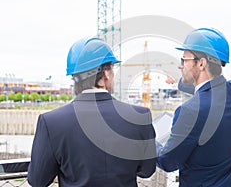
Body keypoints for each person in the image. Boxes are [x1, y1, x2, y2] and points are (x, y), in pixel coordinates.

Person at [28, 37, 157, 187]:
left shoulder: (51, 122)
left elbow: (37, 180)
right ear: (106, 74)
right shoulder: (140, 116)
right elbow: (147, 170)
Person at [156, 28, 231, 186]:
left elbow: (167, 161)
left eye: (184, 60)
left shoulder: (190, 111)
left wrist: (148, 138)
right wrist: (180, 83)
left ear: (201, 64)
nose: (180, 66)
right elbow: (213, 89)